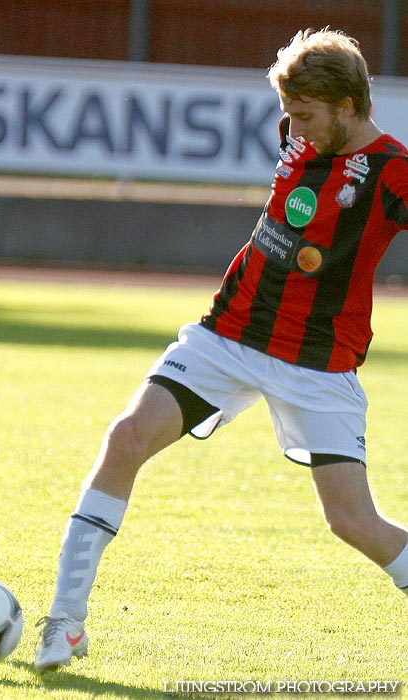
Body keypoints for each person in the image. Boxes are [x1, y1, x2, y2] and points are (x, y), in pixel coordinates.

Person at [35, 27, 408, 673]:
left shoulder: (392, 171)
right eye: (287, 114)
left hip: (316, 361)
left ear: (348, 105)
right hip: (229, 333)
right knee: (126, 437)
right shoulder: (296, 136)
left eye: (305, 116)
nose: (291, 129)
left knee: (352, 522)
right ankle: (65, 624)